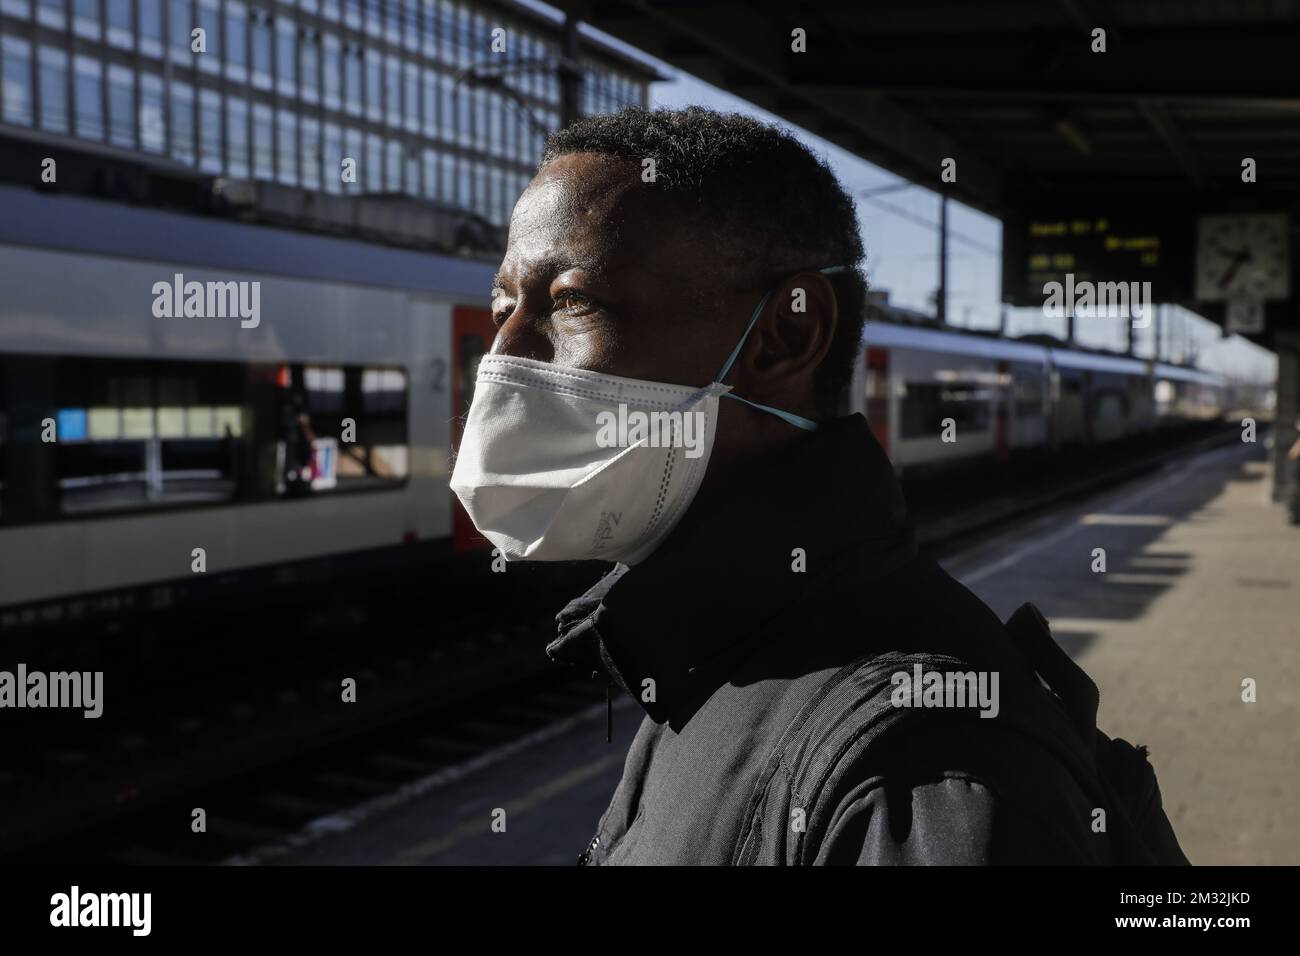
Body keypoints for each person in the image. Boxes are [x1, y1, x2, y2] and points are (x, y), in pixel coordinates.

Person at [451, 107, 1184, 865]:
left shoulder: (926, 772)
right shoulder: (703, 653)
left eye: (573, 302)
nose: (503, 355)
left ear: (789, 333)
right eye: (504, 307)